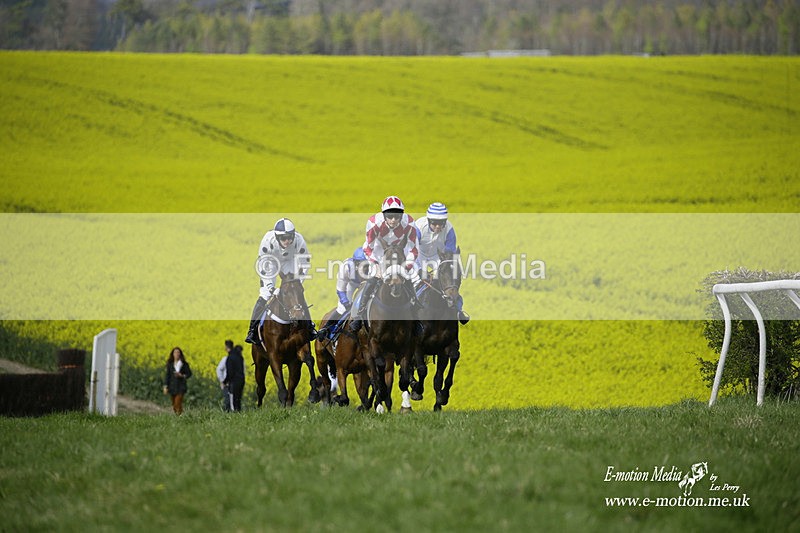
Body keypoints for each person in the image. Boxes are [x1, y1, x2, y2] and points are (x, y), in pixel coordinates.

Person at [349, 196, 423, 333]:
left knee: (409, 279)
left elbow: (413, 249)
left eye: (397, 216)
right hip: (379, 253)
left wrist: (406, 267)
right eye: (390, 216)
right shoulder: (373, 223)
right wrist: (376, 266)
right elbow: (368, 248)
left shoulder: (410, 223)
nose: (393, 220)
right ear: (384, 215)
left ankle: (416, 316)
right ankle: (359, 315)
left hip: (401, 254)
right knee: (372, 279)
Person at [245, 217, 317, 344]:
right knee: (265, 294)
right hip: (271, 262)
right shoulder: (268, 241)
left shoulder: (299, 240)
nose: (287, 241)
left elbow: (305, 263)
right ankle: (252, 330)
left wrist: (297, 283)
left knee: (296, 294)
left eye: (290, 237)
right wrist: (272, 288)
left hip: (290, 261)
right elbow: (264, 267)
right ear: (277, 237)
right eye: (284, 238)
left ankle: (310, 327)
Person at [414, 202, 470, 324]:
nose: (438, 226)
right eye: (434, 223)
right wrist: (419, 269)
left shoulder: (449, 229)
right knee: (412, 284)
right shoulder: (418, 226)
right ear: (429, 220)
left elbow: (449, 252)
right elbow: (412, 249)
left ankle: (459, 310)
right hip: (417, 257)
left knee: (448, 284)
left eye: (441, 223)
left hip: (437, 258)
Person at [316, 247, 369, 340]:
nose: (366, 268)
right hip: (351, 283)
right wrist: (346, 303)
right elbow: (340, 289)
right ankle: (326, 329)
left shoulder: (374, 267)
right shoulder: (346, 267)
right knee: (342, 308)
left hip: (367, 284)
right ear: (356, 264)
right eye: (363, 265)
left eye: (367, 265)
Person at [163, 347, 192, 415]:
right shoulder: (170, 364)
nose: (177, 354)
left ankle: (180, 417)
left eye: (178, 352)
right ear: (173, 354)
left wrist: (182, 376)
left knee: (177, 403)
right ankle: (180, 416)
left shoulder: (184, 364)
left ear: (180, 354)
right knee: (174, 405)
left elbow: (189, 374)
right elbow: (167, 376)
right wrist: (165, 386)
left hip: (181, 387)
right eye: (175, 352)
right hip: (172, 387)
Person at [225, 344, 246, 412]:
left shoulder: (230, 357)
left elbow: (230, 372)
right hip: (241, 380)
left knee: (234, 399)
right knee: (238, 399)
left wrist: (225, 381)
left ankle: (235, 413)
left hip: (234, 381)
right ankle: (238, 412)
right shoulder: (240, 358)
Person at [216, 340, 233, 412]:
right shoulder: (240, 358)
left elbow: (219, 369)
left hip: (228, 383)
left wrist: (222, 380)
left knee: (229, 402)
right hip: (233, 383)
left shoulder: (225, 359)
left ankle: (230, 416)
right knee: (232, 401)